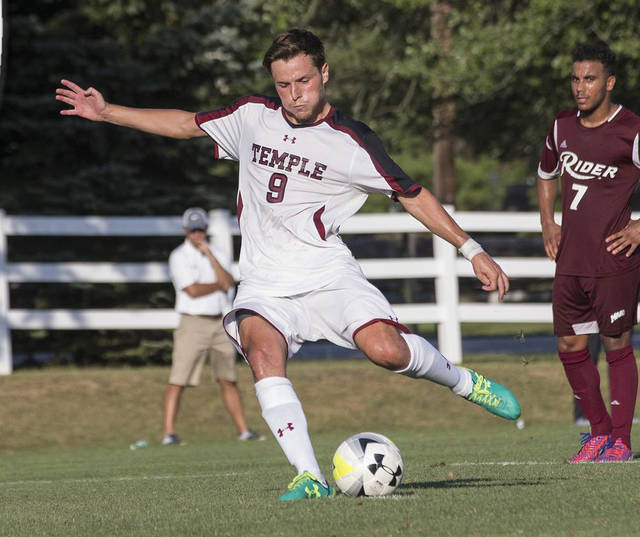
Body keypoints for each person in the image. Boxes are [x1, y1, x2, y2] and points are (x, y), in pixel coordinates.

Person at [56, 28, 520, 500]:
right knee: (261, 354)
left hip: (327, 274)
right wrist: (107, 111)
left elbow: (412, 195)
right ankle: (310, 476)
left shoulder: (352, 140)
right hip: (264, 282)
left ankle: (465, 382)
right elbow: (185, 123)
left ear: (324, 73)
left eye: (303, 81)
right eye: (283, 85)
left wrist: (471, 249)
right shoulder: (251, 116)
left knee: (389, 351)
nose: (294, 94)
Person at [537, 42, 640, 463]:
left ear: (609, 83)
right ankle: (598, 433)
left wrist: (639, 226)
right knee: (568, 343)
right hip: (571, 259)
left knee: (615, 342)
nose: (581, 87)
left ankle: (620, 440)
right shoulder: (561, 126)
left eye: (590, 79)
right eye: (576, 79)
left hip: (614, 259)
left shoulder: (631, 129)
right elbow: (546, 173)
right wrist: (547, 221)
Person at [163, 207, 264, 445]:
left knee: (228, 378)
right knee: (178, 379)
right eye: (193, 230)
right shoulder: (178, 256)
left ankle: (243, 430)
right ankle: (169, 433)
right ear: (185, 230)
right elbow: (192, 290)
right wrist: (217, 284)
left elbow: (228, 282)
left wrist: (209, 256)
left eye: (201, 229)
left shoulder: (217, 252)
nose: (197, 234)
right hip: (193, 322)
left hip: (220, 323)